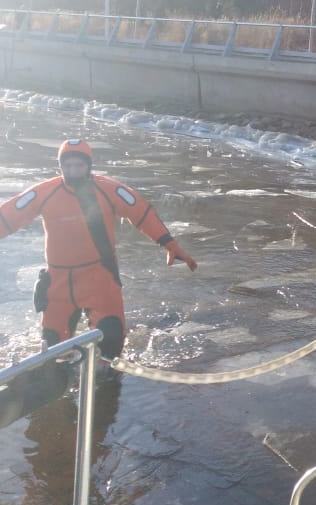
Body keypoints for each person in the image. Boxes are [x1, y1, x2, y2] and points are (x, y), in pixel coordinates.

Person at [0, 139, 197, 360]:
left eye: (79, 166)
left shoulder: (108, 190)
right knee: (52, 351)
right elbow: (9, 215)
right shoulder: (45, 192)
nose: (73, 171)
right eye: (68, 166)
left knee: (111, 343)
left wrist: (169, 244)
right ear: (60, 167)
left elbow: (141, 212)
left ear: (89, 166)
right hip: (59, 283)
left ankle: (106, 386)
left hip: (100, 278)